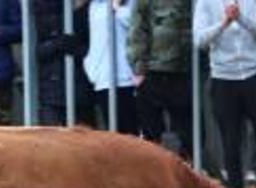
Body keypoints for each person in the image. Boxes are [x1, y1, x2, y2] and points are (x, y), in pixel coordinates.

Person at [194, 0, 256, 188]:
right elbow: (199, 40)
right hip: (223, 77)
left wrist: (241, 18)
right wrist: (224, 23)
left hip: (255, 73)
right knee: (230, 141)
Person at [127, 0, 193, 157]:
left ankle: (185, 172)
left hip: (183, 71)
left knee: (189, 133)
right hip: (153, 71)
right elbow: (138, 30)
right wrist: (139, 68)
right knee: (152, 134)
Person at [34, 0, 95, 127]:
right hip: (52, 91)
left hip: (81, 88)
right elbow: (34, 50)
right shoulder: (42, 10)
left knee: (83, 141)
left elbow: (96, 49)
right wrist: (55, 45)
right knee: (53, 141)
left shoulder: (90, 10)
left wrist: (76, 49)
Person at [85, 0, 139, 135]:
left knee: (132, 134)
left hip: (128, 78)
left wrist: (117, 8)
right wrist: (92, 69)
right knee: (115, 134)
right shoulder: (95, 6)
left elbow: (136, 29)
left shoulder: (133, 3)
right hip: (103, 79)